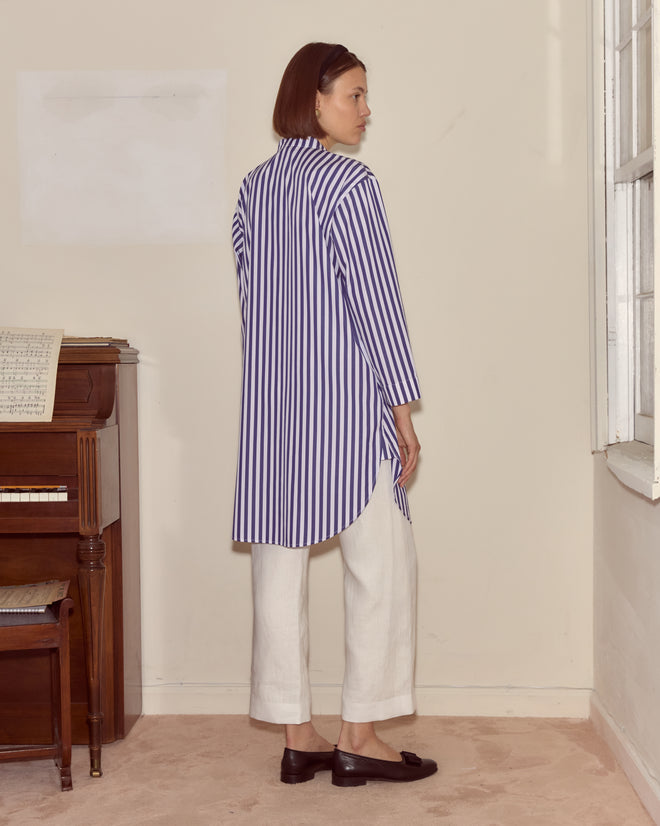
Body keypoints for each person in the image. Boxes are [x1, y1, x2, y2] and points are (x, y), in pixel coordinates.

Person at [232, 42, 436, 787]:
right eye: (355, 94)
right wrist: (402, 409)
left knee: (278, 576)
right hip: (348, 409)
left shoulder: (255, 190)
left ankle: (298, 737)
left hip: (277, 416)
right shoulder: (349, 185)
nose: (365, 109)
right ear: (314, 100)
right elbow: (376, 302)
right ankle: (361, 736)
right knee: (380, 569)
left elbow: (255, 308)